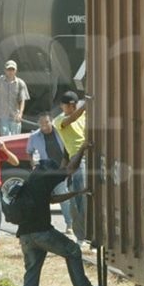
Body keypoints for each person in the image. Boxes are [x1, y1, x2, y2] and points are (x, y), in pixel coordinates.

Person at [14, 144, 102, 286]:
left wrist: (77, 193)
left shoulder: (31, 179)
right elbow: (71, 169)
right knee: (72, 250)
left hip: (25, 237)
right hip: (42, 232)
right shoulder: (47, 176)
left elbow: (52, 200)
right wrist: (82, 150)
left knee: (32, 273)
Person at [56, 91, 88, 240]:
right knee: (81, 197)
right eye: (69, 105)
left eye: (74, 105)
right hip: (77, 159)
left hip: (90, 156)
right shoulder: (59, 120)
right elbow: (72, 118)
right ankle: (81, 236)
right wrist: (86, 105)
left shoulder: (81, 113)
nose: (72, 108)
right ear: (62, 106)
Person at [0, 60, 29, 135]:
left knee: (15, 138)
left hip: (15, 116)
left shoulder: (20, 83)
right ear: (5, 70)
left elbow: (22, 100)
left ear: (16, 70)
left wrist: (20, 114)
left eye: (12, 69)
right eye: (8, 69)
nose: (10, 71)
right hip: (1, 116)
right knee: (5, 137)